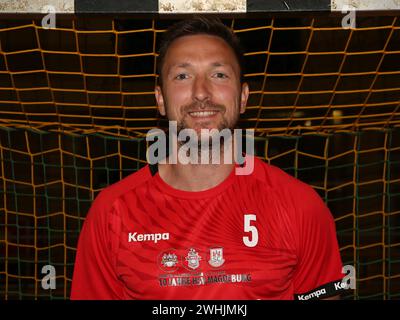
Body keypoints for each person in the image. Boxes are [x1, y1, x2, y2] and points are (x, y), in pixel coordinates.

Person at [71, 17, 345, 300]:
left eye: (219, 75)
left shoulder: (300, 206)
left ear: (243, 96)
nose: (201, 92)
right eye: (182, 76)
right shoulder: (111, 212)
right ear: (160, 99)